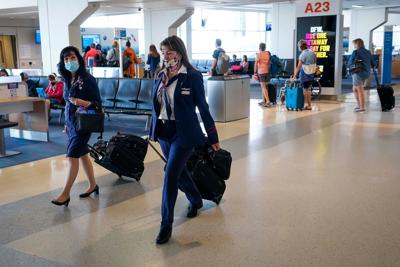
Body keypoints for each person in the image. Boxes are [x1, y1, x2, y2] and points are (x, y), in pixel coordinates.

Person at [149, 35, 220, 245]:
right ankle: (196, 199)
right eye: (163, 52)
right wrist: (152, 129)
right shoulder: (160, 74)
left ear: (179, 53)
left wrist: (213, 135)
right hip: (164, 131)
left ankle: (166, 225)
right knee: (179, 172)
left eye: (169, 52)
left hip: (184, 133)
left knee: (170, 174)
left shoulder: (192, 76)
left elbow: (203, 107)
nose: (165, 56)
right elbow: (156, 104)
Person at [51, 46, 101, 207]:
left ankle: (65, 194)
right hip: (72, 123)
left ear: (79, 59)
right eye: (66, 59)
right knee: (83, 154)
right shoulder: (67, 79)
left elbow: (98, 105)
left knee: (72, 156)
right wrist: (67, 123)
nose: (69, 61)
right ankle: (93, 185)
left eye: (72, 58)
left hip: (84, 124)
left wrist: (82, 102)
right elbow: (67, 104)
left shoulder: (87, 79)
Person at [348, 38, 374, 112]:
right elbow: (373, 63)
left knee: (359, 89)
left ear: (357, 44)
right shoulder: (368, 52)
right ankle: (359, 105)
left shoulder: (355, 52)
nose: (354, 46)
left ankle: (362, 107)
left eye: (354, 44)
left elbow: (350, 62)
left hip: (357, 72)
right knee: (355, 88)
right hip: (366, 73)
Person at [292, 39, 317, 110]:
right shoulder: (312, 52)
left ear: (300, 46)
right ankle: (309, 105)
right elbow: (315, 62)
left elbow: (298, 66)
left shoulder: (302, 54)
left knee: (305, 90)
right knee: (308, 89)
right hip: (311, 73)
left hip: (305, 74)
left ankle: (306, 104)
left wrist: (294, 77)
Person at [254, 43, 271, 107]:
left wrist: (255, 72)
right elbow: (268, 62)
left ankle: (268, 101)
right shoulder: (267, 53)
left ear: (259, 47)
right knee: (264, 87)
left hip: (261, 72)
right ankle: (263, 100)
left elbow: (256, 64)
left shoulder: (259, 54)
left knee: (263, 87)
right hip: (267, 71)